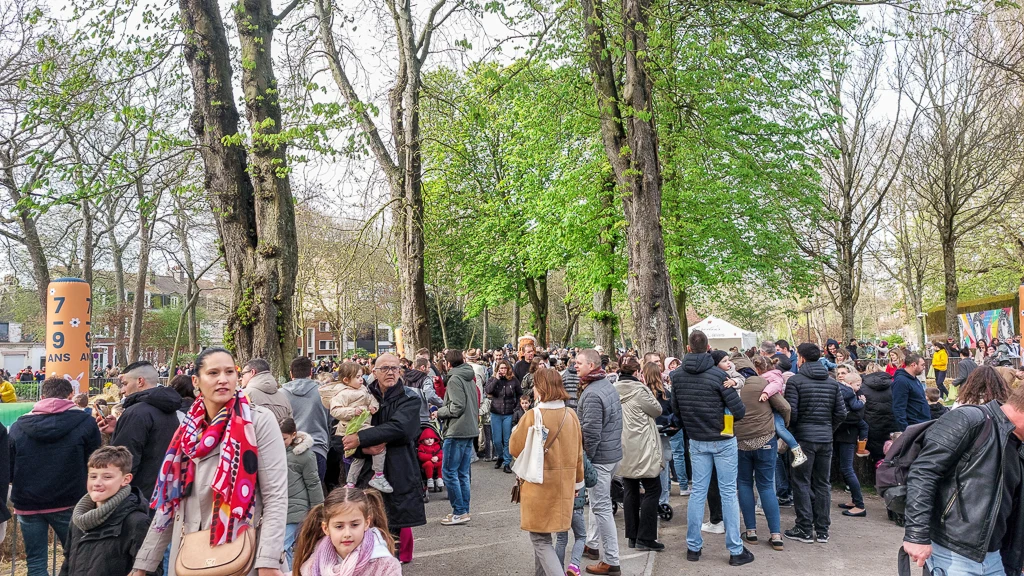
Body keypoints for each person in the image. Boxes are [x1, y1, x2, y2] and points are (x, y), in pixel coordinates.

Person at [129, 347, 288, 576]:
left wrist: (269, 561)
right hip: (190, 555)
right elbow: (170, 504)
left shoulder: (257, 422)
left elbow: (275, 495)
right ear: (196, 380)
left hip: (243, 553)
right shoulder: (186, 431)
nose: (223, 379)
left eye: (230, 372)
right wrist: (142, 566)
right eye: (213, 373)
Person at [901, 386, 1024, 576]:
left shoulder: (1017, 442)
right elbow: (924, 472)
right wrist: (916, 535)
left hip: (995, 556)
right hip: (953, 551)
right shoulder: (971, 419)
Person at [671, 331, 753, 566]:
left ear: (688, 348)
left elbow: (676, 410)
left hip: (696, 439)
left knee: (698, 493)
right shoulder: (719, 375)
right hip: (723, 438)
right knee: (728, 493)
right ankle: (735, 550)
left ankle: (693, 547)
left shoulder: (677, 377)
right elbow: (739, 411)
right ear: (708, 348)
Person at [10, 377, 102, 576]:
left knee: (35, 561)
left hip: (28, 503)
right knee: (77, 555)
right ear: (71, 395)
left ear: (42, 396)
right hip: (69, 500)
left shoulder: (18, 427)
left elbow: (9, 466)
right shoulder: (86, 422)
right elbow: (95, 460)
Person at [340, 353, 426, 555]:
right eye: (385, 368)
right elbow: (340, 436)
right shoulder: (360, 396)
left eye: (394, 368)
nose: (390, 372)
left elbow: (401, 429)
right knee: (364, 541)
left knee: (390, 542)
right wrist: (363, 448)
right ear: (374, 372)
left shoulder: (410, 398)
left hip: (397, 476)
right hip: (365, 477)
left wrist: (361, 438)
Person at [509, 367, 585, 576]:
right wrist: (578, 484)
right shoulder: (571, 415)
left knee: (540, 539)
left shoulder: (533, 415)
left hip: (538, 486)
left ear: (540, 388)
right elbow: (579, 455)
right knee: (545, 537)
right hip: (564, 486)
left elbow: (514, 448)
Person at [783, 343, 847, 545]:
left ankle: (804, 527)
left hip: (803, 439)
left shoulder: (796, 381)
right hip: (825, 438)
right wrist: (829, 429)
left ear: (800, 358)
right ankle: (822, 530)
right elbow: (841, 413)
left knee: (801, 481)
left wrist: (795, 432)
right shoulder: (832, 383)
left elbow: (791, 413)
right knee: (822, 483)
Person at [57, 446, 151, 576]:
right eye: (93, 476)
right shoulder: (78, 519)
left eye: (107, 477)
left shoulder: (136, 522)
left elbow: (150, 570)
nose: (97, 483)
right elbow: (67, 562)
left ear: (126, 479)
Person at [576, 349, 624, 575]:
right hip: (611, 455)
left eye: (579, 363)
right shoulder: (605, 385)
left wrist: (586, 460)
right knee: (598, 504)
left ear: (592, 365)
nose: (575, 366)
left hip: (602, 458)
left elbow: (591, 433)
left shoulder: (594, 393)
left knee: (602, 508)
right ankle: (593, 545)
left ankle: (612, 560)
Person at [736, 355, 790, 551]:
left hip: (740, 442)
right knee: (766, 486)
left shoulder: (732, 385)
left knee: (744, 484)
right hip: (765, 440)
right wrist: (781, 426)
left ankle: (751, 532)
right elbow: (785, 406)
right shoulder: (762, 382)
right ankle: (776, 535)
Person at [109, 360, 183, 501]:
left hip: (137, 496)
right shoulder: (169, 409)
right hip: (161, 491)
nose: (122, 390)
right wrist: (118, 428)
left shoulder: (136, 413)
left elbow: (124, 460)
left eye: (125, 384)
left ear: (140, 381)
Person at [291, 487, 402, 576]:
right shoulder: (312, 566)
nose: (347, 534)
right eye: (339, 526)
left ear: (367, 523)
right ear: (326, 528)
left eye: (354, 525)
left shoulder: (384, 565)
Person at [614, 357, 664, 551]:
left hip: (623, 445)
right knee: (653, 489)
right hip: (643, 446)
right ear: (636, 373)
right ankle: (646, 536)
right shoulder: (640, 390)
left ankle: (632, 536)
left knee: (630, 488)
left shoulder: (613, 389)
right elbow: (657, 410)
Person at [331, 362, 393, 493]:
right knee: (379, 444)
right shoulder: (342, 394)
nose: (361, 379)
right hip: (352, 427)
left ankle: (350, 482)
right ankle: (378, 474)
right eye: (358, 377)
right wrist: (353, 411)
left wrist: (373, 406)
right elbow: (335, 411)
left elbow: (371, 399)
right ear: (346, 380)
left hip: (362, 424)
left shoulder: (363, 389)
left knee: (359, 457)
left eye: (361, 376)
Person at [435, 349, 479, 525]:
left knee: (449, 472)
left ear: (448, 363)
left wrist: (439, 412)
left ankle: (459, 511)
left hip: (457, 430)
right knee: (462, 473)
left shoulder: (454, 379)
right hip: (469, 429)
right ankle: (463, 510)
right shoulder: (468, 377)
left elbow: (457, 406)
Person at [282, 417, 325, 571]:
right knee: (293, 547)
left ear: (294, 435)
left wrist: (318, 511)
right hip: (283, 509)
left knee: (283, 547)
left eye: (284, 439)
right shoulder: (275, 453)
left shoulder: (304, 456)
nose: (281, 442)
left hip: (296, 510)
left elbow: (313, 483)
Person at [284, 356, 332, 481]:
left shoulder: (281, 394)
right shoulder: (323, 392)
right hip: (317, 447)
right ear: (311, 372)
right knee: (316, 495)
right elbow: (331, 422)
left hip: (290, 449)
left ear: (291, 373)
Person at [758, 358, 807, 467]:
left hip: (774, 408)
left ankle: (797, 450)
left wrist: (766, 392)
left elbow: (775, 385)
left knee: (780, 429)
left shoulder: (773, 376)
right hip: (770, 408)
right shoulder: (768, 376)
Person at [834, 371, 867, 518]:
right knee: (845, 467)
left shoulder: (855, 394)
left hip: (848, 435)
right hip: (844, 435)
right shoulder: (850, 393)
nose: (840, 376)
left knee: (847, 468)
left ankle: (860, 505)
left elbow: (857, 416)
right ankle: (855, 500)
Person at [486, 359, 523, 473]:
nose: (503, 370)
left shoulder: (513, 380)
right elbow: (488, 390)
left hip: (508, 412)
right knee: (497, 440)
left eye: (504, 368)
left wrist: (516, 407)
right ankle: (500, 456)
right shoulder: (493, 379)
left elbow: (520, 393)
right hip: (496, 412)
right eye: (501, 368)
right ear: (497, 369)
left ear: (508, 369)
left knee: (507, 439)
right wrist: (496, 379)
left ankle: (507, 462)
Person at [860, 363, 896, 463]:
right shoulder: (893, 385)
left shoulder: (862, 387)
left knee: (875, 453)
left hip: (872, 424)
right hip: (891, 422)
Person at [242, 358, 294, 423]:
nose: (241, 378)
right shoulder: (283, 397)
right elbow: (290, 427)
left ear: (252, 372)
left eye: (243, 374)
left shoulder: (244, 394)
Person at [892, 353, 931, 433]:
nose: (924, 368)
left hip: (922, 423)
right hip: (913, 426)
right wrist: (905, 430)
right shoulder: (901, 381)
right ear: (913, 365)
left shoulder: (914, 379)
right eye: (922, 365)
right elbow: (898, 407)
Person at [417, 425, 444, 492]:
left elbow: (442, 454)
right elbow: (421, 456)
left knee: (441, 463)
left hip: (436, 463)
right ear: (423, 440)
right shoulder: (421, 447)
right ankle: (429, 479)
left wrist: (437, 457)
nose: (429, 441)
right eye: (427, 439)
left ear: (434, 439)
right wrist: (430, 458)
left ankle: (440, 478)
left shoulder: (437, 446)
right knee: (429, 464)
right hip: (426, 464)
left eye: (431, 438)